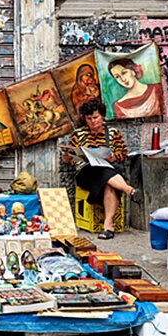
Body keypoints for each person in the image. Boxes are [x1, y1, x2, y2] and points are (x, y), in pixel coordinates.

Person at [61, 99, 141, 240]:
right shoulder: (78, 134)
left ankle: (108, 226)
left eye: (96, 117)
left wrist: (113, 157)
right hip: (86, 173)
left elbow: (123, 154)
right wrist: (67, 157)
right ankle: (128, 190)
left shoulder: (113, 133)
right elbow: (71, 161)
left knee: (107, 182)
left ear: (102, 116)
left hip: (109, 171)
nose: (93, 121)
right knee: (99, 171)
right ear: (85, 119)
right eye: (89, 118)